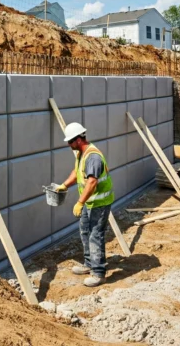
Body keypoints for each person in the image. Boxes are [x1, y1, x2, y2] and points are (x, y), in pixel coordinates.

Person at [53, 122, 113, 287]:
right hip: (89, 202)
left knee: (95, 234)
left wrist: (79, 202)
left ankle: (99, 273)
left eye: (70, 142)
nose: (68, 145)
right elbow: (77, 172)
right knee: (85, 231)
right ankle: (89, 263)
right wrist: (64, 185)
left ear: (79, 139)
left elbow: (92, 182)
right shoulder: (81, 154)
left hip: (99, 203)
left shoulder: (93, 156)